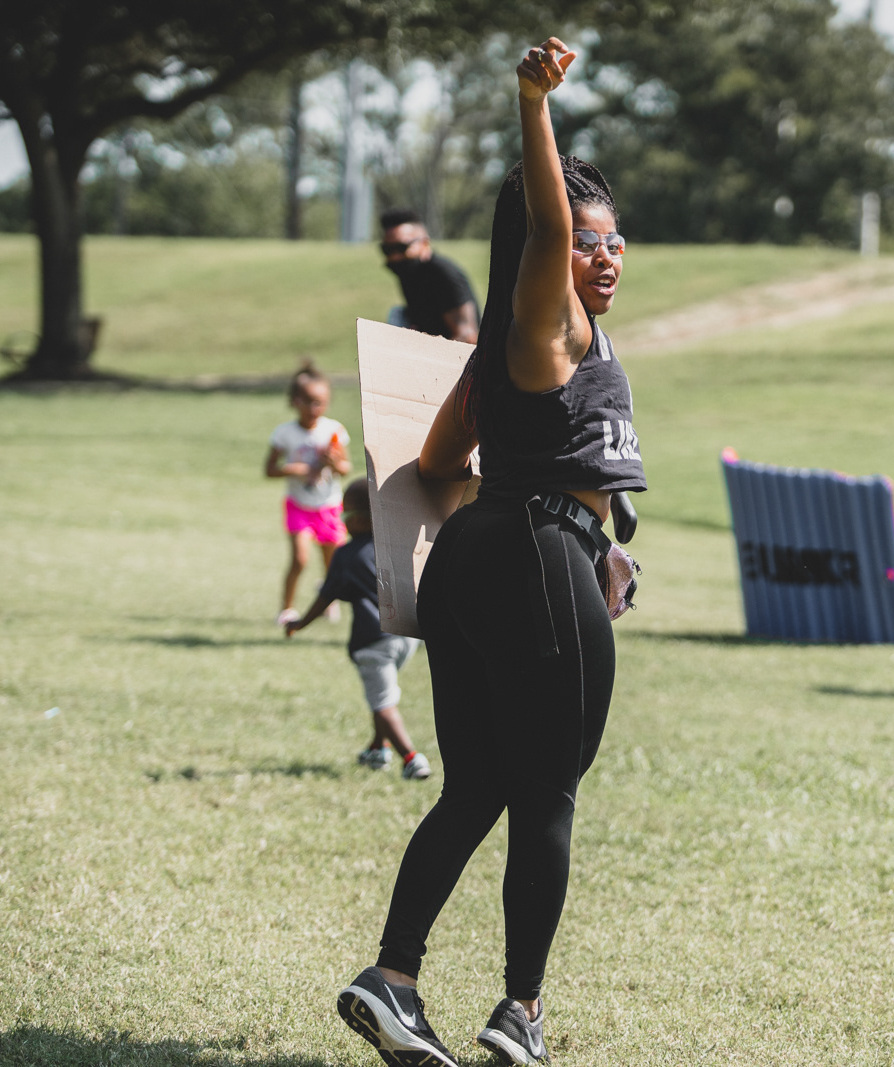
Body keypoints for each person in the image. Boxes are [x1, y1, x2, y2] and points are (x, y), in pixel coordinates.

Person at [335, 37, 643, 1067]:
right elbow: (544, 226)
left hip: (477, 552)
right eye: (587, 243)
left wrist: (596, 538)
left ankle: (394, 979)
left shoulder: (503, 354)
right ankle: (521, 1010)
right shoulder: (547, 320)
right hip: (532, 551)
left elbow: (436, 460)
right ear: (549, 250)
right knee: (548, 792)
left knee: (475, 785)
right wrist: (533, 103)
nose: (605, 256)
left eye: (615, 241)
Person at [284, 478, 431, 780]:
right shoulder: (397, 546)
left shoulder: (347, 554)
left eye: (347, 515)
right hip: (408, 636)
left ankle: (412, 758)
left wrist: (300, 624)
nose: (343, 521)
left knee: (382, 703)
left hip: (373, 641)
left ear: (364, 518)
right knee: (382, 693)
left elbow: (326, 596)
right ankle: (377, 748)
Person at [265, 362, 352, 626]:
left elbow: (345, 468)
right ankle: (286, 609)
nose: (315, 408)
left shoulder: (334, 430)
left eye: (320, 403)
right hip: (299, 505)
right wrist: (294, 469)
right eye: (309, 402)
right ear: (295, 401)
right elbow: (269, 470)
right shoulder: (285, 433)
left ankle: (328, 603)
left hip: (329, 505)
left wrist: (334, 462)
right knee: (300, 559)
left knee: (332, 563)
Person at [380, 208, 480, 344]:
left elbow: (467, 337)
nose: (394, 256)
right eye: (387, 250)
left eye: (402, 247)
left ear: (424, 243)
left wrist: (425, 356)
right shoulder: (409, 274)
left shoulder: (442, 273)